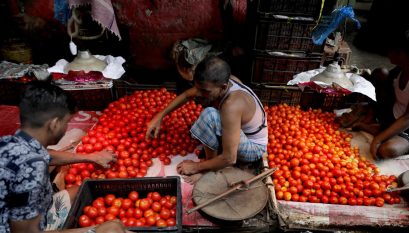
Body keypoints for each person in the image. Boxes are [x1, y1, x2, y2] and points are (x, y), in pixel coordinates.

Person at [0, 81, 129, 233]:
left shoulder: (9, 142)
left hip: (29, 211)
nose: (67, 127)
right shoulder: (32, 171)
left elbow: (47, 156)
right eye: (66, 122)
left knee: (80, 191)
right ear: (54, 124)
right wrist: (93, 231)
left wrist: (91, 157)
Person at [146, 56, 268, 182]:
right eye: (197, 87)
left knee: (208, 116)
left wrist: (197, 167)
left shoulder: (231, 105)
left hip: (254, 148)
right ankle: (213, 160)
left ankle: (209, 171)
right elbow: (187, 95)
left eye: (204, 91)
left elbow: (230, 158)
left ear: (223, 87)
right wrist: (160, 116)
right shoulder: (225, 81)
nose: (198, 94)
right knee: (205, 120)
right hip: (240, 133)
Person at [355, 27, 409, 160]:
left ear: (401, 53)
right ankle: (374, 123)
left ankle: (379, 130)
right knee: (380, 73)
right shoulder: (403, 67)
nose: (387, 54)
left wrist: (378, 139)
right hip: (393, 115)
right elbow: (379, 82)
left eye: (390, 50)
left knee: (387, 149)